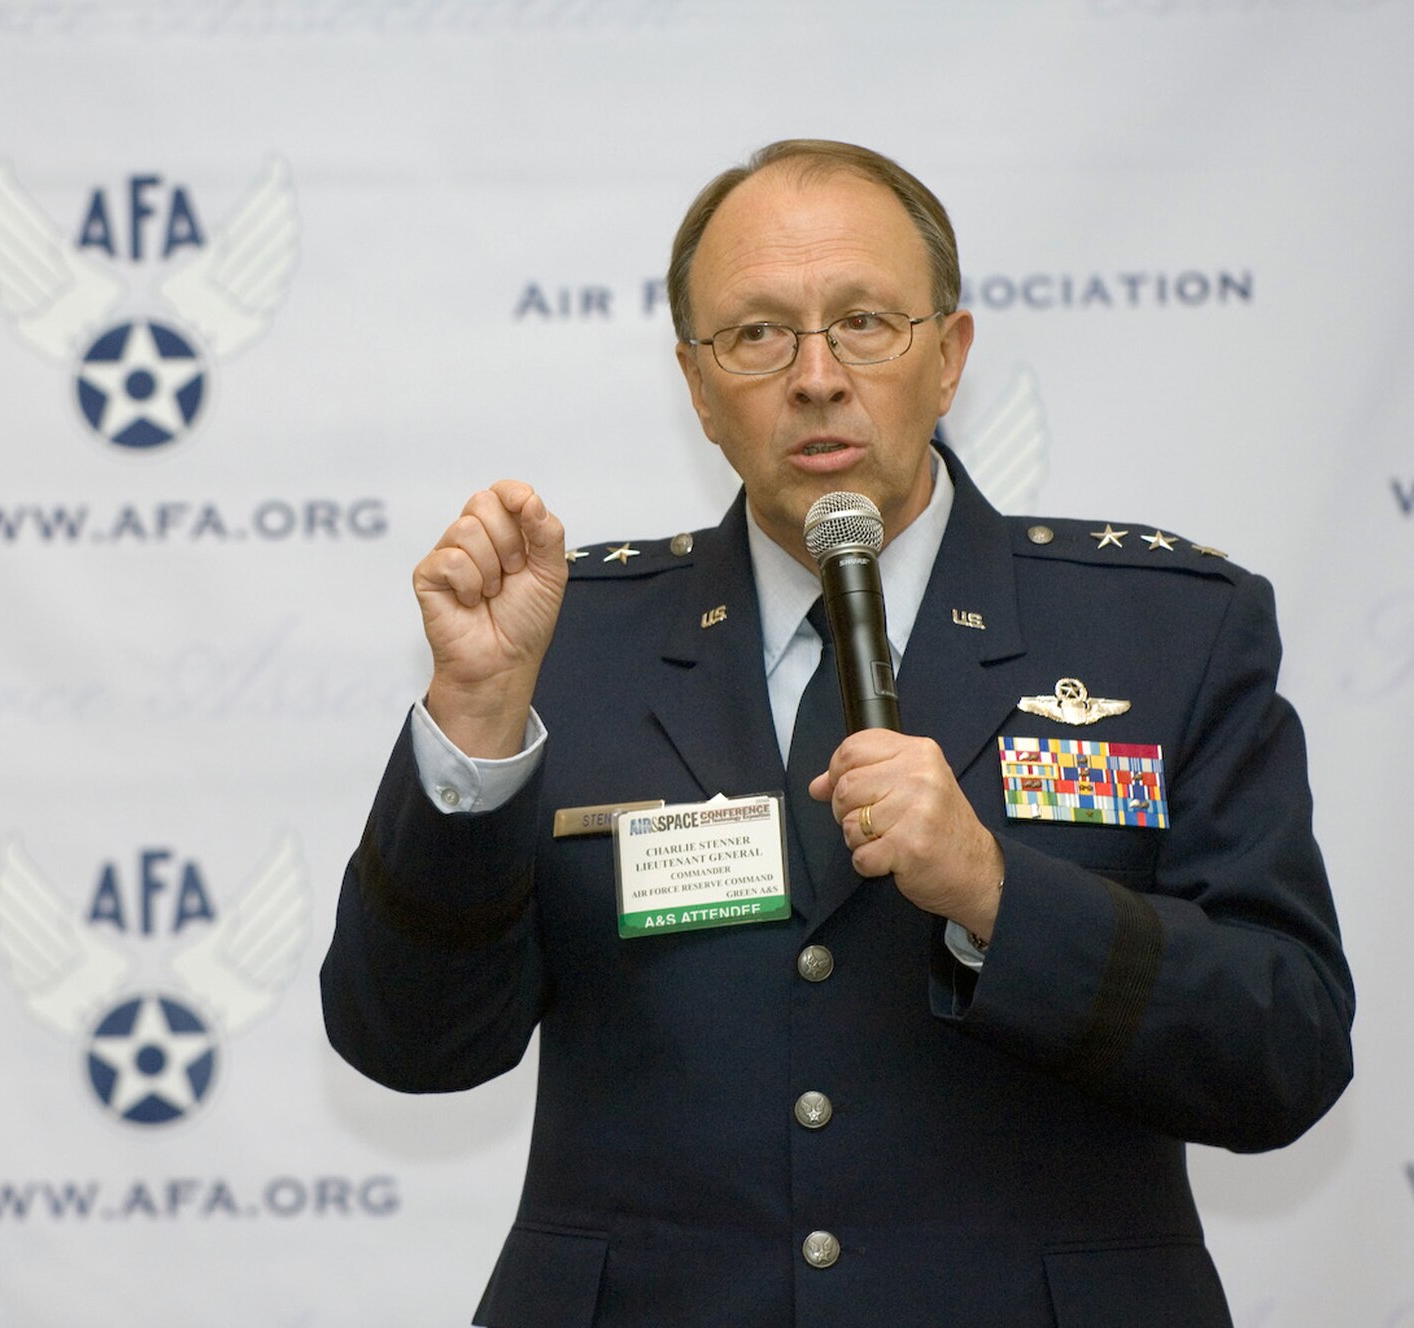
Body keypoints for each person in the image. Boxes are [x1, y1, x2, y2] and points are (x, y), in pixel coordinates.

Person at [319, 140, 1354, 1327]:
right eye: (755, 335)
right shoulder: (566, 642)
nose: (815, 376)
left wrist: (995, 891)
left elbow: (1286, 1047)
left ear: (948, 355)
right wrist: (474, 726)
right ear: (695, 386)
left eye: (863, 321)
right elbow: (408, 1043)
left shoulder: (1162, 632)